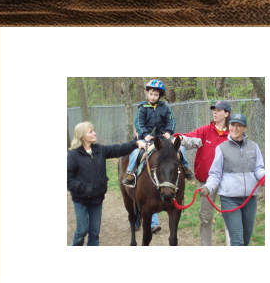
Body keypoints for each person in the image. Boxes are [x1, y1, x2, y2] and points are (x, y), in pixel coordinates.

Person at [122, 79, 193, 233]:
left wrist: (169, 132)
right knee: (136, 152)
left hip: (163, 138)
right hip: (147, 138)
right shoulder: (142, 108)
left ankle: (186, 168)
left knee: (181, 150)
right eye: (151, 93)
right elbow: (139, 123)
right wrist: (145, 134)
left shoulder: (164, 108)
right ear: (147, 93)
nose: (153, 96)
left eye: (156, 94)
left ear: (160, 96)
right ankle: (130, 173)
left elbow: (171, 121)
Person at [67, 121, 145, 246]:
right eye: (91, 132)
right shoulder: (73, 155)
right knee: (82, 231)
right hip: (80, 200)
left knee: (94, 232)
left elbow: (119, 149)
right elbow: (68, 179)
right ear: (82, 137)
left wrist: (135, 143)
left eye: (93, 131)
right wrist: (84, 189)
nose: (94, 133)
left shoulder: (100, 150)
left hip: (97, 199)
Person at [200, 113, 265, 246]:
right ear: (229, 126)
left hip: (250, 199)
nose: (235, 128)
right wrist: (208, 187)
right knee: (237, 240)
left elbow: (258, 168)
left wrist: (264, 175)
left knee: (245, 240)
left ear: (245, 128)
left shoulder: (254, 146)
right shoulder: (222, 148)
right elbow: (215, 174)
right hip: (230, 199)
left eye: (239, 126)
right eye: (232, 125)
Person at [174, 100, 232, 246]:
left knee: (231, 217)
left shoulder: (233, 133)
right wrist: (179, 139)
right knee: (205, 217)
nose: (215, 112)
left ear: (226, 114)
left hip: (229, 182)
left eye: (219, 110)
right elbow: (190, 139)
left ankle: (233, 245)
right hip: (207, 182)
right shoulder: (205, 131)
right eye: (214, 109)